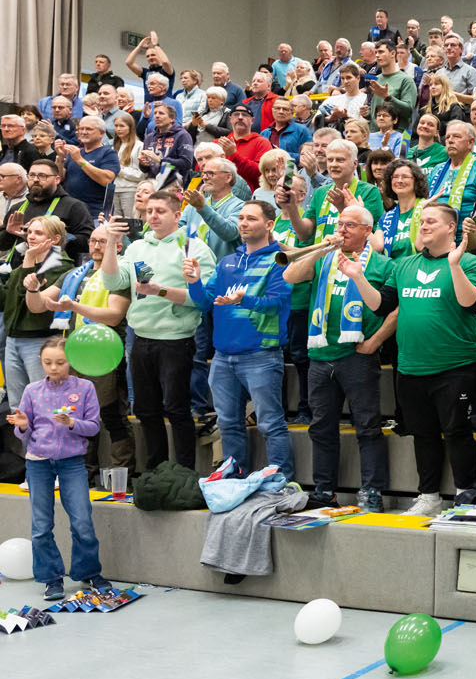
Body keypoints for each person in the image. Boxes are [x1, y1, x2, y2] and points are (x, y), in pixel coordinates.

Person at [376, 203, 476, 518]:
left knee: (457, 431)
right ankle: (429, 497)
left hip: (455, 365)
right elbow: (382, 305)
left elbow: (471, 304)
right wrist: (357, 277)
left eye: (431, 221)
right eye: (422, 221)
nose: (423, 226)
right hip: (411, 365)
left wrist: (454, 265)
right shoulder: (404, 264)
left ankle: (466, 495)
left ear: (451, 227)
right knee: (422, 434)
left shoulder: (471, 261)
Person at [283, 205, 394, 512]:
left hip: (357, 355)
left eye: (350, 225)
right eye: (340, 224)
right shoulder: (324, 258)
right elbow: (290, 274)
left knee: (367, 426)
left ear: (367, 231)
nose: (342, 229)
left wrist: (375, 341)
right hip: (320, 355)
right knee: (321, 427)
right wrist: (321, 249)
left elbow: (395, 308)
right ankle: (324, 489)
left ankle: (372, 490)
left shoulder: (383, 264)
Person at [102, 196, 215, 468]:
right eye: (149, 210)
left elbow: (204, 300)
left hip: (176, 340)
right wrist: (110, 243)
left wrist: (160, 291)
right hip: (141, 338)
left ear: (177, 215)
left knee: (176, 409)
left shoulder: (193, 248)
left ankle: (184, 472)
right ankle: (157, 471)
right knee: (145, 411)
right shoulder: (137, 247)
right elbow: (112, 281)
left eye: (160, 211)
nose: (153, 216)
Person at [184, 200, 292, 476]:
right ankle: (234, 478)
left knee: (271, 424)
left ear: (269, 225)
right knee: (228, 423)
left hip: (262, 355)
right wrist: (194, 283)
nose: (243, 223)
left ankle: (281, 481)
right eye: (241, 218)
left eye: (251, 219)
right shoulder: (227, 262)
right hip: (223, 357)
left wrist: (244, 300)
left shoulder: (279, 260)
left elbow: (277, 304)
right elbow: (205, 303)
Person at [28, 225, 135, 479]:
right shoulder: (75, 273)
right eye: (93, 241)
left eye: (103, 241)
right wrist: (32, 289)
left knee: (111, 415)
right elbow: (37, 306)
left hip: (105, 353)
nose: (96, 245)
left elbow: (114, 315)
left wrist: (75, 306)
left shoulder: (119, 274)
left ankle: (123, 476)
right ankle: (83, 473)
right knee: (76, 414)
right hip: (75, 351)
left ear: (117, 246)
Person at [9, 336, 102, 600]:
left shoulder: (85, 388)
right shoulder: (32, 390)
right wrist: (23, 425)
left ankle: (89, 572)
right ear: (40, 362)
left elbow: (94, 427)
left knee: (82, 521)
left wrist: (72, 423)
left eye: (60, 362)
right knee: (41, 526)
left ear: (70, 361)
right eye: (47, 362)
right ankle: (51, 579)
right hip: (38, 462)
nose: (53, 367)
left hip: (72, 462)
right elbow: (23, 432)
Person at [5, 216, 75, 408]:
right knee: (17, 406)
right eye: (29, 232)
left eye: (38, 233)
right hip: (13, 338)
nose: (31, 237)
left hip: (40, 339)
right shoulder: (25, 263)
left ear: (55, 239)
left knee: (44, 402)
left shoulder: (62, 266)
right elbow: (6, 300)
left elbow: (31, 302)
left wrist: (28, 259)